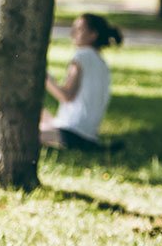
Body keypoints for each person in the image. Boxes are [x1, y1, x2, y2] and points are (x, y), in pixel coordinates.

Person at [40, 14, 122, 150]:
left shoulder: (81, 56)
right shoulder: (101, 62)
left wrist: (43, 76)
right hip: (87, 133)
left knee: (24, 133)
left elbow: (66, 96)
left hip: (71, 132)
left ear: (93, 35)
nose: (72, 33)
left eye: (79, 29)